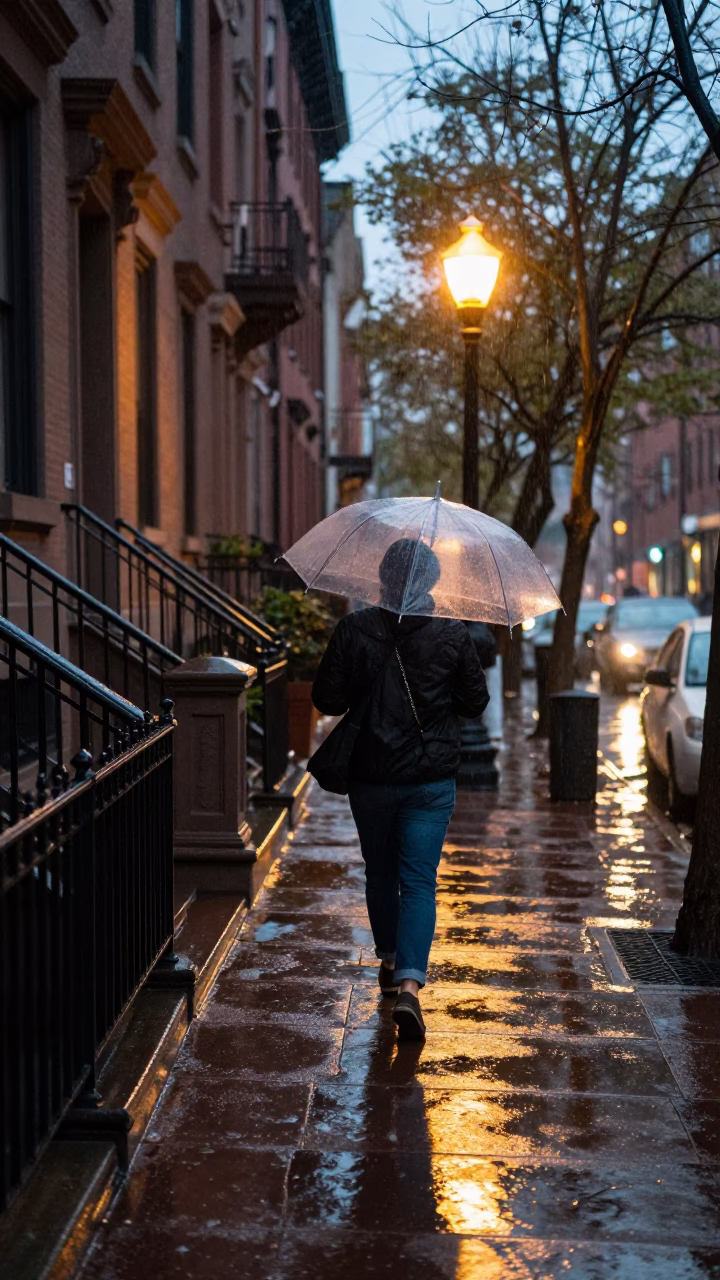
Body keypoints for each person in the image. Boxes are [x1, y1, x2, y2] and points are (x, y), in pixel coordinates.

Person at [311, 538, 489, 1041]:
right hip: (430, 779)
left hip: (371, 775)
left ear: (383, 579)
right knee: (419, 881)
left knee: (381, 872)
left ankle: (389, 960)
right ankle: (410, 986)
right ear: (432, 582)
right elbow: (475, 703)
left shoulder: (356, 628)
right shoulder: (452, 633)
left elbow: (326, 698)